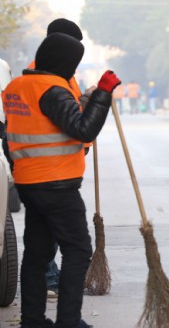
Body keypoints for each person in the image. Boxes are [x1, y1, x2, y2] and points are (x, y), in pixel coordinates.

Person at [3, 33, 122, 328]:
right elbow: (82, 130)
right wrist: (103, 94)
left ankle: (33, 321)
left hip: (29, 183)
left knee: (36, 254)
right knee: (78, 251)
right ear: (65, 61)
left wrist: (85, 98)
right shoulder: (52, 89)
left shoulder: (16, 87)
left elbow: (47, 121)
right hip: (57, 184)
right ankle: (68, 321)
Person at [28, 18, 89, 299]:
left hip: (60, 164)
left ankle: (45, 285)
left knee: (46, 231)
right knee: (68, 239)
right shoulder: (42, 77)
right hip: (48, 168)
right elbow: (69, 121)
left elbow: (74, 107)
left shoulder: (63, 73)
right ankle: (51, 280)